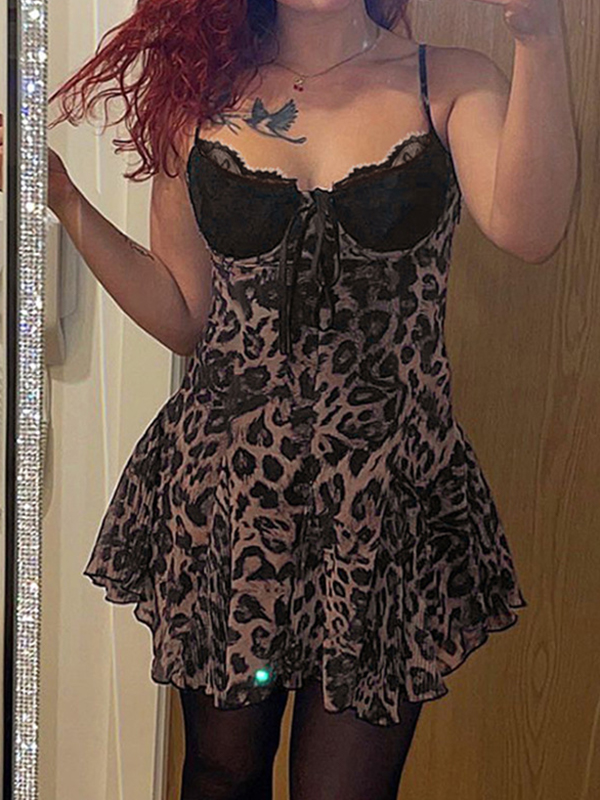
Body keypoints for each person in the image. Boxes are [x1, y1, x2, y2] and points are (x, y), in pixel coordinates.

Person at [2, 0, 575, 798]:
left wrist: (540, 37)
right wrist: (67, 201)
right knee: (220, 772)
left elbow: (529, 228)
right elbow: (184, 316)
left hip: (382, 501)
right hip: (231, 498)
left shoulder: (446, 82)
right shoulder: (200, 97)